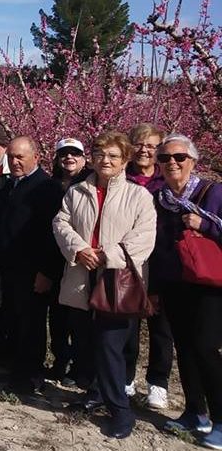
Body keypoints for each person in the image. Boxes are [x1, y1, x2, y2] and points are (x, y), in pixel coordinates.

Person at [53, 131, 156, 440]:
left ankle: (120, 410)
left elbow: (143, 237)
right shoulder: (77, 191)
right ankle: (95, 392)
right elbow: (61, 223)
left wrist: (107, 256)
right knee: (85, 340)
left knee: (110, 346)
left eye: (113, 156)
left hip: (117, 279)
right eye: (100, 155)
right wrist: (78, 249)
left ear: (124, 160)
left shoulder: (139, 196)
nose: (105, 161)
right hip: (82, 275)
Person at [152, 134, 222, 445]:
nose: (172, 163)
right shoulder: (160, 198)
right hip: (173, 281)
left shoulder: (213, 193)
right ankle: (196, 411)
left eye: (179, 157)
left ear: (193, 161)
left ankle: (221, 418)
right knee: (185, 347)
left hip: (209, 284)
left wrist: (204, 225)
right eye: (165, 158)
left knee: (207, 348)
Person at [0, 136, 64, 394]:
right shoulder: (11, 185)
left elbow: (54, 235)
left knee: (31, 325)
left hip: (34, 271)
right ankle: (16, 371)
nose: (15, 161)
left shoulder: (48, 188)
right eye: (11, 157)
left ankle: (30, 377)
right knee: (14, 320)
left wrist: (47, 272)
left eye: (20, 157)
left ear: (36, 157)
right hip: (10, 268)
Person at [123, 123, 173, 410]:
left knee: (160, 326)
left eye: (151, 146)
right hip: (130, 262)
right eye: (139, 144)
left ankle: (158, 383)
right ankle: (126, 377)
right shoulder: (123, 179)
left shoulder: (166, 182)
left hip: (162, 261)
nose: (144, 150)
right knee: (127, 323)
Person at [47, 136, 91, 385]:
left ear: (84, 159)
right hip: (55, 260)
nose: (69, 158)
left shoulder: (89, 185)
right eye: (64, 154)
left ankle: (79, 365)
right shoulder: (51, 185)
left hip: (80, 260)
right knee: (58, 317)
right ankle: (60, 360)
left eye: (75, 153)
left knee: (79, 318)